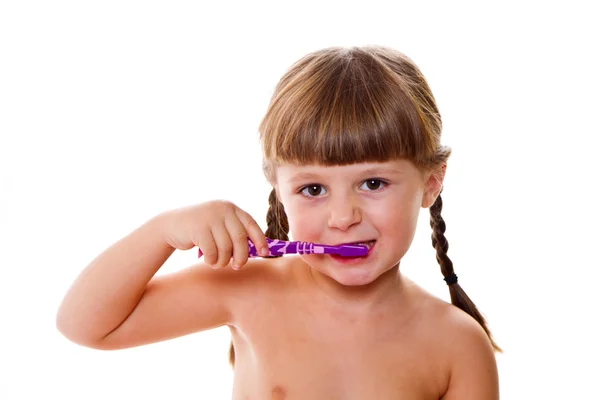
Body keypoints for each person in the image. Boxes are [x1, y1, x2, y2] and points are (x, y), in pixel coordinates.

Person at [56, 45, 501, 399]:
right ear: (279, 189)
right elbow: (86, 325)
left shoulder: (457, 345)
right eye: (313, 190)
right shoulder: (249, 287)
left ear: (430, 183)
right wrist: (162, 232)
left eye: (373, 183)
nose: (343, 218)